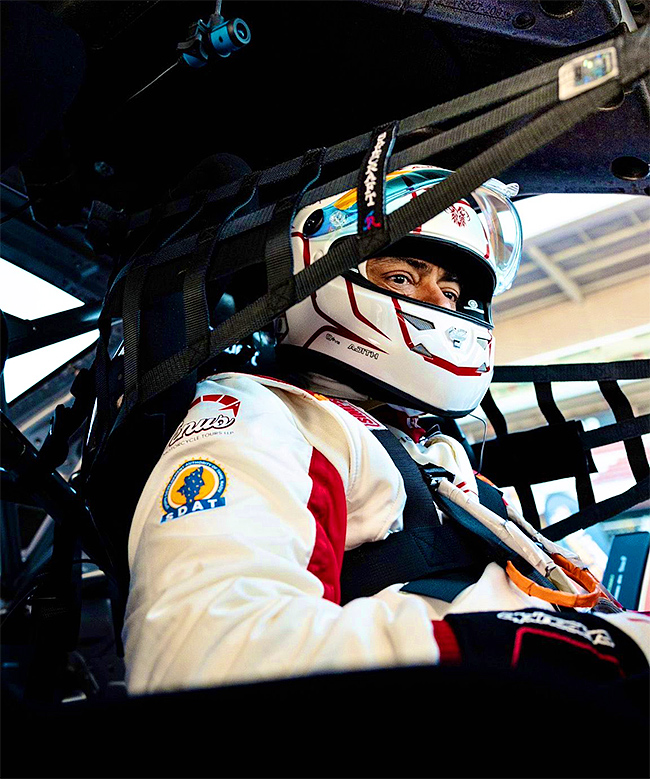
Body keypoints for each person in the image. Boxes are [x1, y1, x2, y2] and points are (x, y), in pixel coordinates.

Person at [122, 165, 649, 695]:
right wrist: (539, 655)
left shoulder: (434, 450)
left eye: (451, 289)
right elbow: (202, 657)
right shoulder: (267, 418)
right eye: (401, 277)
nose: (442, 303)